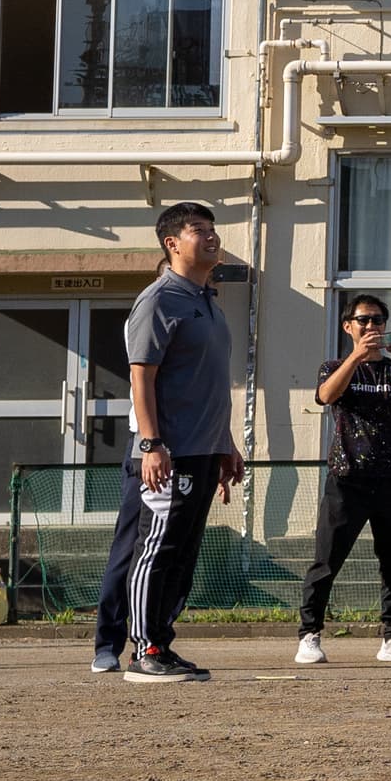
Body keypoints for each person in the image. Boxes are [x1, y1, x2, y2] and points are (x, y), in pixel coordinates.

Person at [96, 202, 241, 684]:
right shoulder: (158, 300)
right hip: (167, 452)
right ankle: (143, 647)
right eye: (198, 230)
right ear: (172, 244)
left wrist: (225, 445)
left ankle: (162, 641)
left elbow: (210, 385)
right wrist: (151, 444)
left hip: (203, 451)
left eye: (213, 229)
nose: (212, 236)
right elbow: (141, 378)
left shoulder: (209, 303)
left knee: (181, 552)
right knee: (153, 548)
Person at [293, 295, 391, 669]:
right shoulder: (334, 366)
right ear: (347, 326)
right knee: (327, 559)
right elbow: (325, 396)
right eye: (364, 321)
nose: (372, 328)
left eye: (379, 321)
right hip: (348, 478)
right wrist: (354, 359)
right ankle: (310, 634)